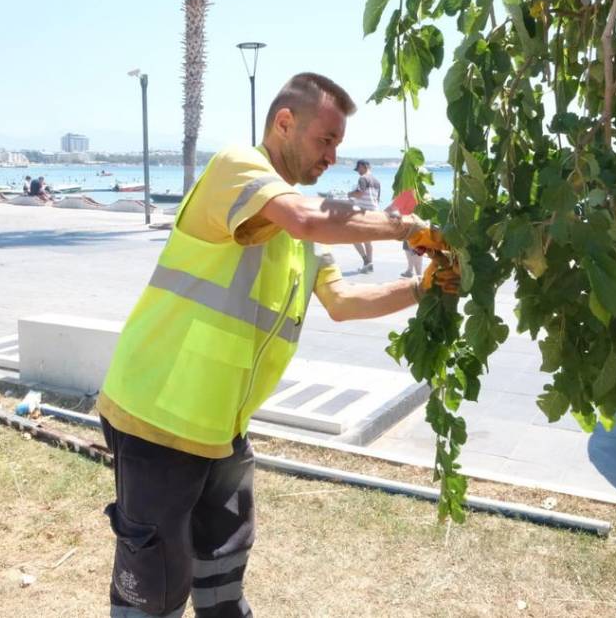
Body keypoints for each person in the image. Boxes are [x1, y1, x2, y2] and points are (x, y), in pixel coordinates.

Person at [96, 72, 457, 618]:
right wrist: (407, 228)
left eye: (339, 143)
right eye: (325, 139)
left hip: (220, 426)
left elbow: (342, 303)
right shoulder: (237, 167)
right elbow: (309, 219)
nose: (333, 156)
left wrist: (419, 288)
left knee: (223, 566)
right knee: (154, 587)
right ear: (284, 123)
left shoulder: (299, 225)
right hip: (159, 415)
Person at [346, 159, 381, 272]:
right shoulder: (377, 181)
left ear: (364, 166)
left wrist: (349, 194)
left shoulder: (363, 178)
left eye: (358, 169)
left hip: (363, 213)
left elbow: (359, 193)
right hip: (374, 213)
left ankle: (366, 260)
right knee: (367, 240)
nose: (358, 172)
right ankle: (369, 264)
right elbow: (377, 199)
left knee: (353, 237)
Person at [388, 188, 424, 277]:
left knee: (415, 252)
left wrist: (377, 216)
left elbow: (391, 208)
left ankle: (419, 276)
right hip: (418, 224)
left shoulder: (406, 192)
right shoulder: (419, 190)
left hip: (411, 226)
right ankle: (410, 270)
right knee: (408, 249)